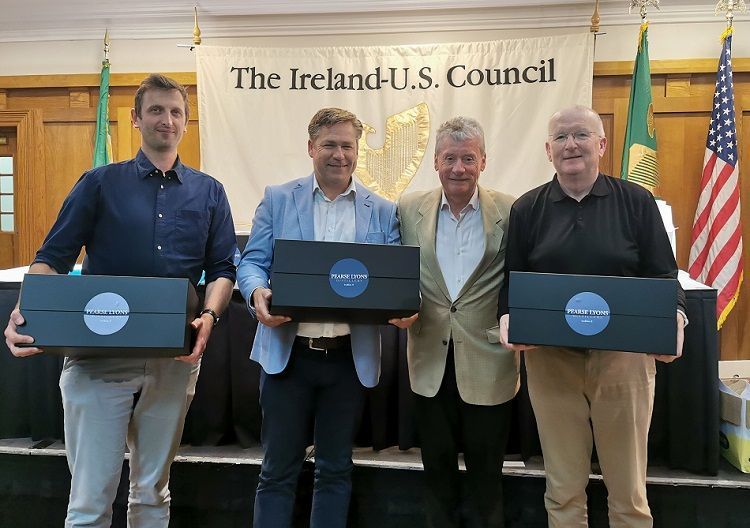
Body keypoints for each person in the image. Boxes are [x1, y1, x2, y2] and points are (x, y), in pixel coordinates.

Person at [3, 74, 237, 528]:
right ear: (135, 119)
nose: (165, 120)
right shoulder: (98, 183)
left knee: (153, 493)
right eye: (155, 110)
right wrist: (24, 311)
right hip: (97, 360)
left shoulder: (210, 191)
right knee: (90, 500)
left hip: (174, 361)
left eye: (175, 112)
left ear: (186, 123)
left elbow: (223, 269)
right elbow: (51, 259)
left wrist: (209, 314)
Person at [499, 105, 686, 528]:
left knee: (629, 492)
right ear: (548, 150)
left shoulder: (636, 201)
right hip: (551, 361)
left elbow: (663, 273)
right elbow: (512, 281)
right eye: (561, 138)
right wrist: (509, 317)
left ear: (601, 144)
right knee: (563, 490)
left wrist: (675, 317)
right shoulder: (527, 209)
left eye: (581, 135)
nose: (571, 145)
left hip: (623, 359)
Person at [237, 107, 404, 528]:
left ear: (357, 150)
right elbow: (252, 262)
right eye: (330, 144)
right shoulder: (278, 197)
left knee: (335, 469)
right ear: (311, 147)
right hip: (287, 357)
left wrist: (404, 303)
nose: (339, 154)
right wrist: (257, 291)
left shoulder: (383, 211)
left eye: (348, 145)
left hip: (349, 360)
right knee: (276, 471)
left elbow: (395, 280)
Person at [396, 116, 517, 528]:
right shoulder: (409, 208)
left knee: (487, 480)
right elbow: (396, 272)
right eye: (450, 157)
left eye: (468, 158)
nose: (458, 167)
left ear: (483, 161)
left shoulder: (511, 209)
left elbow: (518, 278)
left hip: (489, 360)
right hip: (429, 359)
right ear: (435, 161)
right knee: (437, 476)